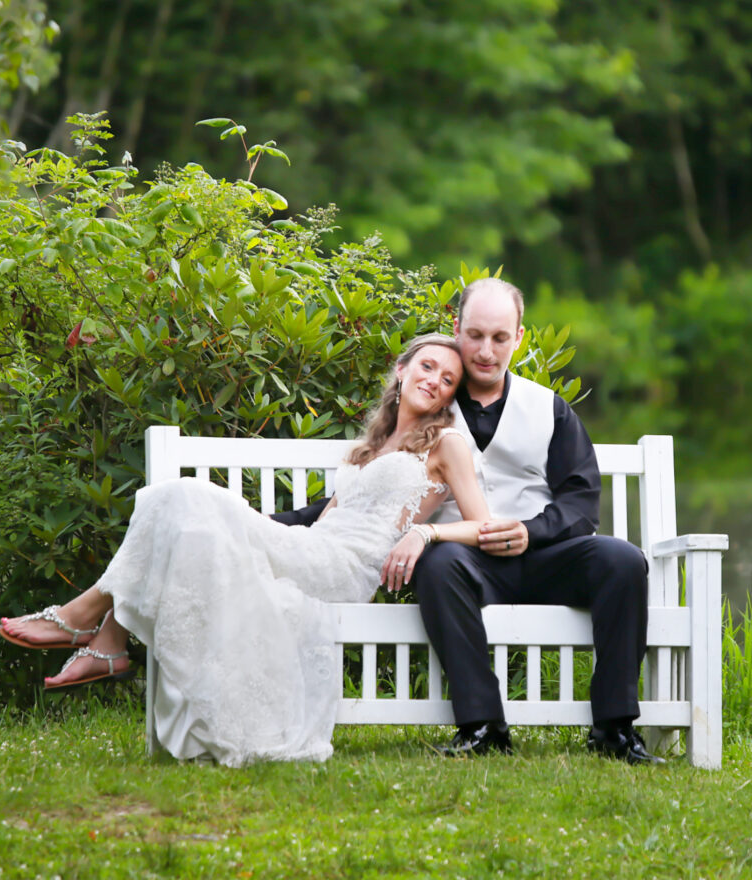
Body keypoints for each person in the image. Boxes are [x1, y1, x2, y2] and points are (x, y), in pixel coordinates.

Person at [0, 333, 503, 767]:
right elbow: (329, 520)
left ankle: (86, 621)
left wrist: (426, 533)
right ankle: (106, 643)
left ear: (449, 397)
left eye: (448, 379)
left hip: (345, 569)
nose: (434, 380)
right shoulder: (371, 447)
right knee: (183, 514)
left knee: (182, 495)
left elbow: (482, 524)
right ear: (401, 370)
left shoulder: (446, 445)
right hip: (314, 548)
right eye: (427, 366)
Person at [276, 278, 661, 764]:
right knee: (438, 565)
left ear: (519, 337)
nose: (485, 350)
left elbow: (580, 502)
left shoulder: (548, 410)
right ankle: (482, 727)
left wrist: (530, 531)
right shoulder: (430, 403)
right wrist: (275, 524)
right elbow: (357, 498)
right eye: (475, 335)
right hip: (466, 561)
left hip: (544, 555)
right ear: (457, 329)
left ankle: (615, 728)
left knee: (624, 560)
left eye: (499, 338)